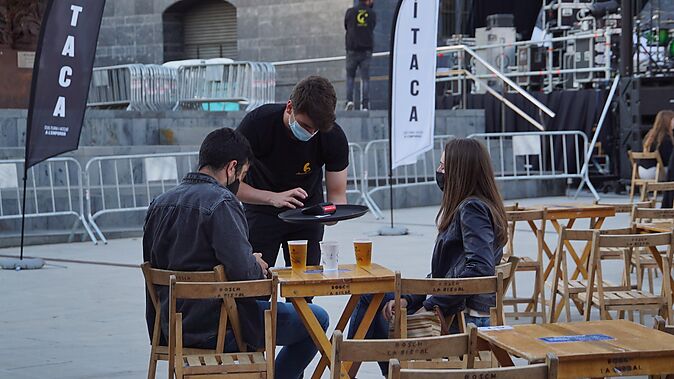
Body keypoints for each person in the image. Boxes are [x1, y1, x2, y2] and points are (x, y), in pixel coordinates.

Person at [143, 128, 329, 379]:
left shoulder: (159, 203)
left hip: (170, 328)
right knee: (316, 319)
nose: (239, 182)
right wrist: (256, 264)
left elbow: (152, 268)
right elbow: (247, 277)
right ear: (231, 167)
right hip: (220, 327)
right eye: (241, 175)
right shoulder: (222, 203)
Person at [347, 138, 507, 375]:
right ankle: (363, 370)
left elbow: (479, 269)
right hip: (453, 308)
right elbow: (446, 273)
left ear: (460, 173)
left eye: (444, 167)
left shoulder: (471, 209)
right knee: (375, 296)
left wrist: (431, 304)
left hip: (458, 318)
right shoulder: (475, 206)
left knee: (372, 297)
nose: (439, 172)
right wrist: (411, 300)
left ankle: (347, 368)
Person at [236, 76, 349, 269]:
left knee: (305, 285)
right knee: (254, 283)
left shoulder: (332, 135)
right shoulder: (257, 124)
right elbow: (230, 184)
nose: (311, 133)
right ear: (290, 107)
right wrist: (273, 198)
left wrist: (331, 216)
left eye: (316, 130)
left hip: (308, 214)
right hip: (261, 210)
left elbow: (337, 195)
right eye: (305, 126)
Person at [344, 0, 376, 111]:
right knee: (365, 78)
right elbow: (372, 26)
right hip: (366, 50)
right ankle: (365, 105)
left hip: (352, 50)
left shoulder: (350, 11)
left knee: (350, 78)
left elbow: (346, 26)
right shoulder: (372, 13)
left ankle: (349, 101)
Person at [639, 110, 674, 180]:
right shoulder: (665, 140)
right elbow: (669, 161)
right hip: (655, 173)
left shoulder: (649, 136)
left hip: (642, 171)